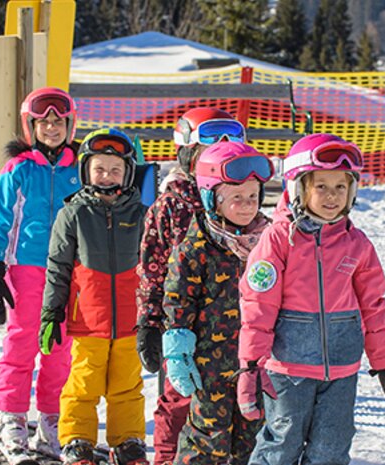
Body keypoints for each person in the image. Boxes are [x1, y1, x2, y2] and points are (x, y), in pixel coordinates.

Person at [237, 134, 385, 465]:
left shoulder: (356, 244)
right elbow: (258, 306)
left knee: (331, 449)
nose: (332, 196)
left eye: (340, 187)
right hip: (288, 369)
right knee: (281, 445)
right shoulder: (278, 240)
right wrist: (250, 365)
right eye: (321, 187)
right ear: (298, 188)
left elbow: (374, 310)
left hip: (342, 370)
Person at [133, 107, 245, 465]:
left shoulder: (240, 200)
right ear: (186, 153)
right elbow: (152, 269)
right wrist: (150, 322)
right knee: (178, 398)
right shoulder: (171, 206)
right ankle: (167, 459)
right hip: (181, 325)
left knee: (232, 401)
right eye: (207, 154)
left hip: (231, 327)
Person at [38, 129, 150, 465]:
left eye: (115, 170)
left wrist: (156, 316)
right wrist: (51, 313)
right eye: (99, 169)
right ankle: (77, 439)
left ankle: (128, 440)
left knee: (127, 385)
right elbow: (57, 268)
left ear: (128, 174)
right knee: (82, 384)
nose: (107, 176)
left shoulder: (142, 214)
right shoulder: (73, 214)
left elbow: (155, 268)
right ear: (86, 170)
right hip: (88, 319)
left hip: (132, 320)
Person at [0, 87, 82, 459]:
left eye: (59, 122)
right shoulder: (18, 169)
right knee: (22, 341)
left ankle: (52, 419)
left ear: (70, 125)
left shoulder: (80, 168)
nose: (52, 128)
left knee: (60, 346)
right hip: (26, 267)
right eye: (44, 123)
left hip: (69, 270)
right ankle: (11, 416)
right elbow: (0, 221)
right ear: (31, 126)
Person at [160, 141, 273, 465]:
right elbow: (178, 302)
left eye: (253, 196)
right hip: (210, 366)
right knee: (208, 439)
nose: (247, 205)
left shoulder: (268, 242)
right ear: (212, 197)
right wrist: (178, 350)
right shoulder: (195, 248)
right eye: (236, 197)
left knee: (252, 439)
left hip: (256, 363)